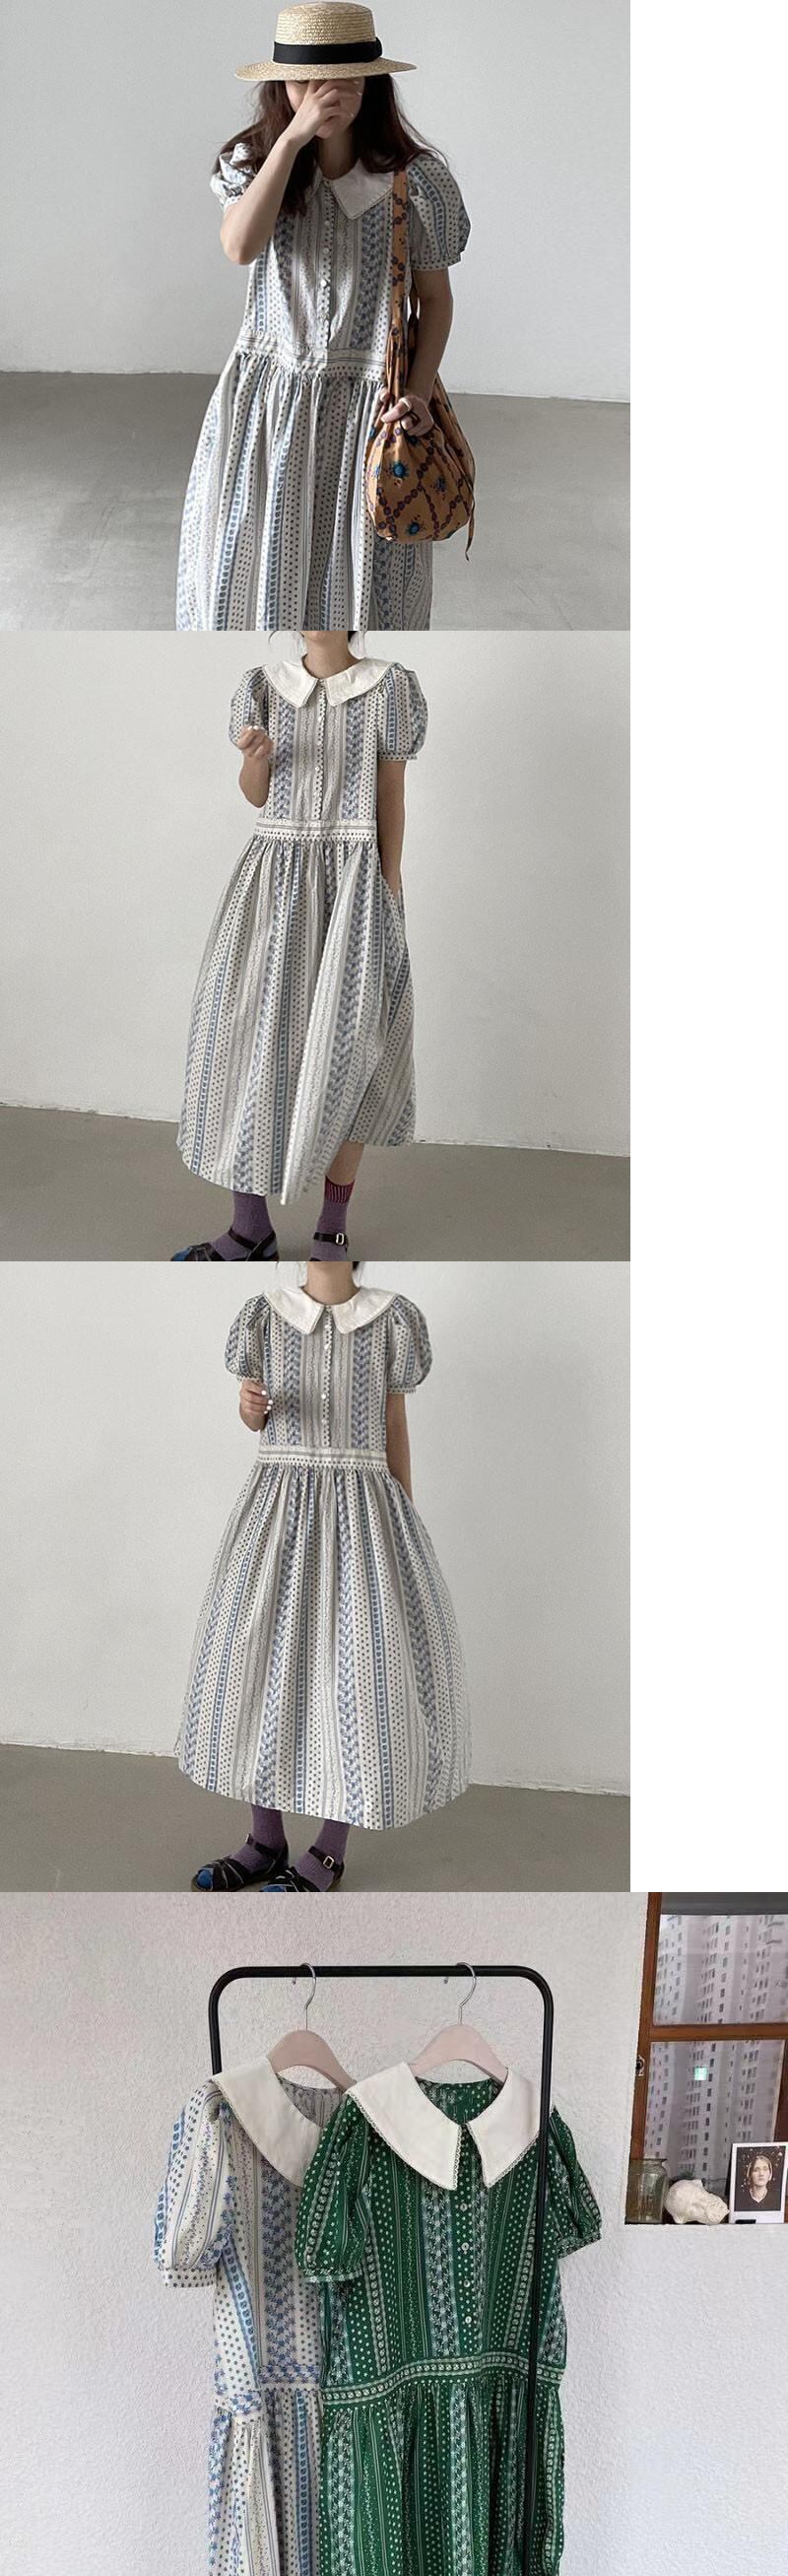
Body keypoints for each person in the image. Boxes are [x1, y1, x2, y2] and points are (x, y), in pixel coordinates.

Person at [178, 1261, 471, 1889]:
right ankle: (265, 1841)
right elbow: (255, 1416)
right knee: (258, 1667)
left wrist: (404, 1521)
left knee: (355, 1679)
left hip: (362, 1512)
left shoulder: (390, 1320)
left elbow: (394, 1424)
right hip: (279, 1510)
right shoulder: (265, 1316)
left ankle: (330, 1850)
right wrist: (248, 1407)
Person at [176, 6, 470, 632]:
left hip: (371, 408)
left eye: (343, 80)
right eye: (304, 81)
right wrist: (291, 141)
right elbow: (239, 247)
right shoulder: (257, 163)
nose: (323, 94)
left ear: (371, 83)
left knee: (365, 591)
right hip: (270, 405)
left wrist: (417, 393)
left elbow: (436, 300)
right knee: (251, 573)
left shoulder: (416, 182)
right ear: (279, 85)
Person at [173, 633, 426, 1263]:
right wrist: (253, 757)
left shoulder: (389, 687)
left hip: (354, 883)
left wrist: (389, 888)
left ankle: (330, 1230)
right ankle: (249, 1229)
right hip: (273, 881)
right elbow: (256, 793)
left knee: (355, 1051)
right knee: (245, 1041)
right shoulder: (263, 687)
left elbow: (390, 795)